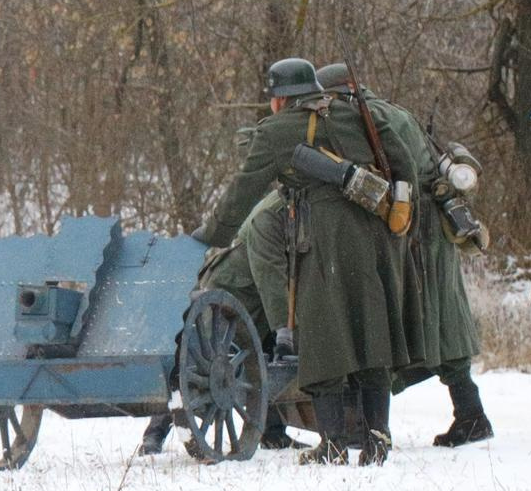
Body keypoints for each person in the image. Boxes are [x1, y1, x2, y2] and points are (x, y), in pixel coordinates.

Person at [193, 57, 419, 464]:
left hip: (322, 236)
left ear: (280, 98)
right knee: (371, 330)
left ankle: (333, 444)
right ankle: (377, 438)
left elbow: (243, 192)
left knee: (323, 334)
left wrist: (210, 236)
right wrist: (400, 206)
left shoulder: (277, 131)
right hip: (375, 236)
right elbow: (404, 163)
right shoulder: (356, 113)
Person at [316, 64, 492, 446]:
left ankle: (460, 416)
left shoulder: (370, 117)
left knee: (416, 318)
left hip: (414, 224)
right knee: (441, 317)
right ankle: (470, 413)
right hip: (426, 222)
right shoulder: (392, 110)